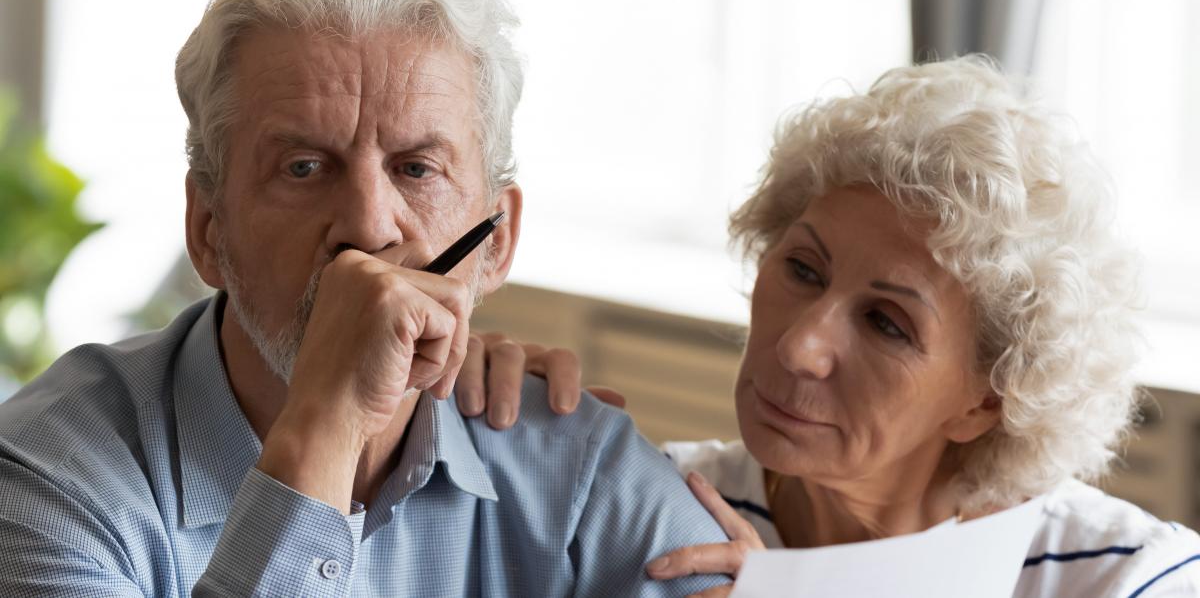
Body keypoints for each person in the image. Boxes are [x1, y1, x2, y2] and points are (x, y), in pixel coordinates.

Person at [0, 0, 728, 596]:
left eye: (416, 169)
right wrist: (328, 417)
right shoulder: (46, 479)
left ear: (497, 242)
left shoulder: (580, 464)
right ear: (208, 229)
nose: (367, 226)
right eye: (305, 166)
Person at [501, 57, 1200, 596]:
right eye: (803, 269)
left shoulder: (1126, 576)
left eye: (887, 323)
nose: (800, 345)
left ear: (987, 400)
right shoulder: (656, 509)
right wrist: (470, 419)